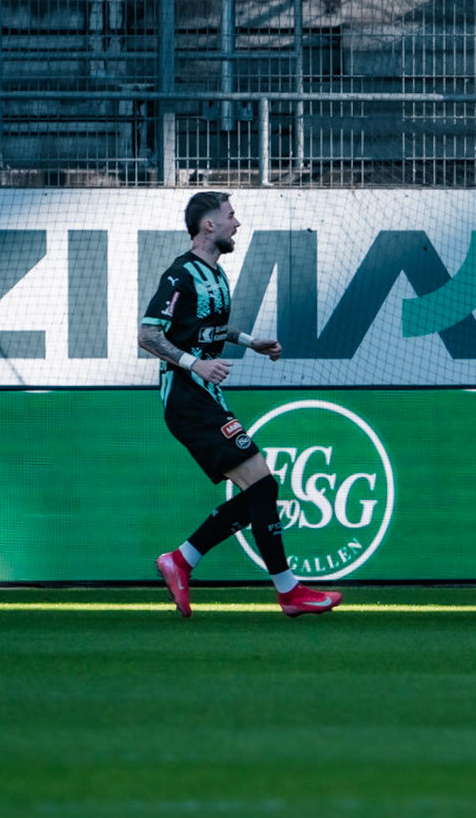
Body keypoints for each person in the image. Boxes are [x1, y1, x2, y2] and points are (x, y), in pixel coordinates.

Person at [139, 192, 343, 619]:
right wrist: (197, 365)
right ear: (208, 225)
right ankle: (287, 591)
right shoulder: (180, 275)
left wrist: (251, 341)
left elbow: (209, 326)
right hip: (186, 397)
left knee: (262, 488)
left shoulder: (216, 275)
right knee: (263, 485)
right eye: (230, 216)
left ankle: (182, 560)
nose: (237, 223)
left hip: (204, 395)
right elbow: (148, 335)